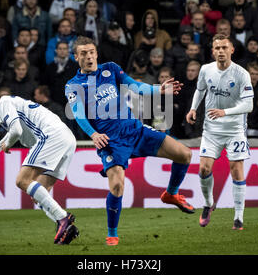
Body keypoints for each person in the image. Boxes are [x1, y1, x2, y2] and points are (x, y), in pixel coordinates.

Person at [65, 36, 194, 246]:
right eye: (83, 53)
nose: (89, 56)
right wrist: (93, 134)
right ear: (76, 57)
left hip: (135, 130)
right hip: (111, 142)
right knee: (117, 185)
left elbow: (134, 86)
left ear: (96, 53)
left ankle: (171, 194)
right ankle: (112, 233)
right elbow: (79, 114)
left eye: (91, 52)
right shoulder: (73, 85)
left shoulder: (111, 69)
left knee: (184, 154)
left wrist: (157, 90)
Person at [0, 83, 79, 245]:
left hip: (51, 135)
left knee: (22, 181)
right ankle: (65, 226)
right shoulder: (8, 106)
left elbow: (16, 131)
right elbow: (14, 130)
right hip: (67, 138)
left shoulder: (4, 103)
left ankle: (63, 218)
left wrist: (7, 145)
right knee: (39, 196)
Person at [186, 34, 254, 231]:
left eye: (224, 47)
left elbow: (248, 105)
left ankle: (238, 217)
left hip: (234, 129)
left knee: (236, 169)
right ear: (212, 51)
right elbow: (200, 90)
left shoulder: (241, 74)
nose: (221, 51)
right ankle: (208, 204)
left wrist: (225, 112)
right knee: (204, 169)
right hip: (212, 129)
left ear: (232, 50)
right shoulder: (206, 69)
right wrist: (192, 108)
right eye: (217, 48)